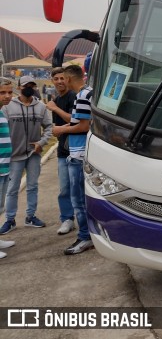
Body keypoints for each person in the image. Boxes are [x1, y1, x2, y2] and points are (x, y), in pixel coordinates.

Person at [0, 75, 53, 234]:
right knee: (12, 189)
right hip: (14, 156)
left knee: (33, 186)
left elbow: (49, 127)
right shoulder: (7, 107)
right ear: (19, 87)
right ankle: (10, 219)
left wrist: (41, 143)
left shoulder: (41, 107)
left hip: (34, 154)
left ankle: (30, 216)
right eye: (26, 85)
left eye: (32, 85)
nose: (29, 87)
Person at [53, 65, 93, 255]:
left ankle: (85, 237)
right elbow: (79, 122)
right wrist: (69, 125)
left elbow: (84, 126)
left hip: (79, 154)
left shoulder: (83, 96)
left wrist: (62, 129)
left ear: (68, 79)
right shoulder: (86, 93)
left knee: (78, 200)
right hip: (78, 152)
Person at [46, 67, 77, 235]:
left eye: (62, 78)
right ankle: (67, 219)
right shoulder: (56, 99)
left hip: (77, 149)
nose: (59, 81)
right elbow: (57, 127)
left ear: (68, 80)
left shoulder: (73, 97)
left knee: (78, 186)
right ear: (52, 81)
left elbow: (74, 121)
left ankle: (85, 218)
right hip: (63, 150)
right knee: (64, 187)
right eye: (56, 79)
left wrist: (55, 109)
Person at [0, 78, 16, 258]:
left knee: (0, 207)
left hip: (4, 167)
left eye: (10, 92)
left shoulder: (2, 113)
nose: (7, 96)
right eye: (3, 92)